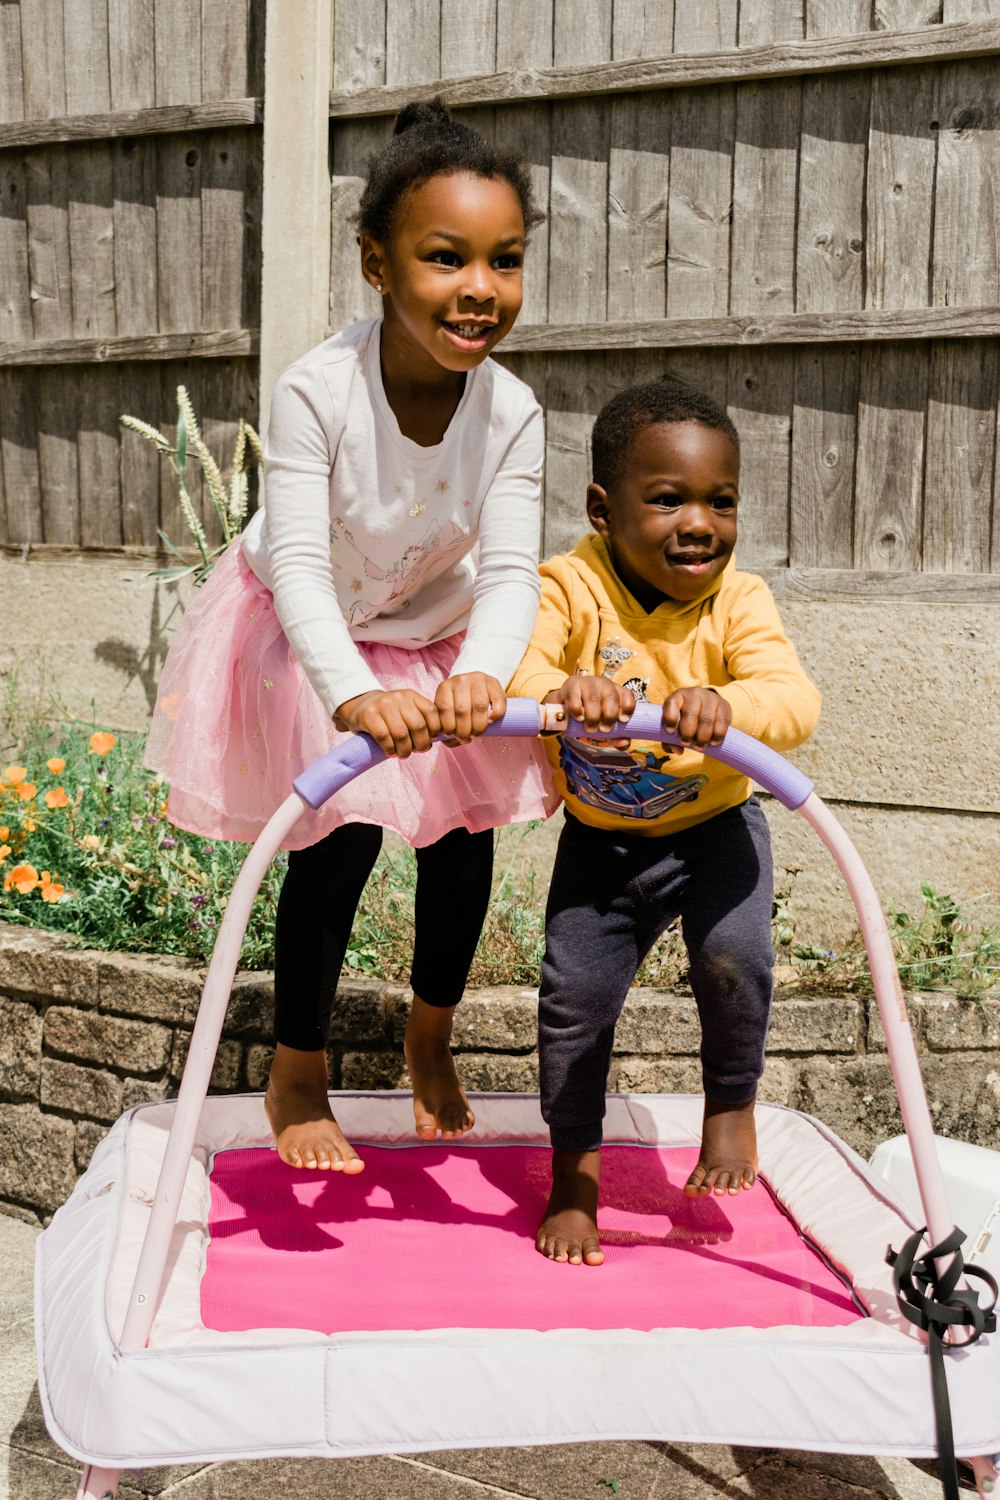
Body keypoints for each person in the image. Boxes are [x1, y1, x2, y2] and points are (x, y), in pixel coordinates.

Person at [146, 100, 558, 1174]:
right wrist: (346, 692)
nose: (481, 286)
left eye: (504, 261)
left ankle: (430, 1031)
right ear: (378, 265)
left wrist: (476, 678)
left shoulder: (511, 410)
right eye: (445, 258)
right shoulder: (315, 390)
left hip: (433, 625)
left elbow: (511, 573)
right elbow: (297, 567)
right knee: (340, 840)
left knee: (461, 838)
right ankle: (299, 1062)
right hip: (308, 622)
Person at [509, 375, 822, 1266]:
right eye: (669, 500)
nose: (700, 524)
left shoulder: (739, 600)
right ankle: (575, 1170)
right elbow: (514, 675)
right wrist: (566, 692)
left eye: (721, 502)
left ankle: (730, 1107)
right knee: (573, 1006)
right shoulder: (568, 587)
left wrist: (728, 703)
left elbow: (794, 700)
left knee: (737, 960)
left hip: (717, 830)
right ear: (603, 510)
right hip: (602, 846)